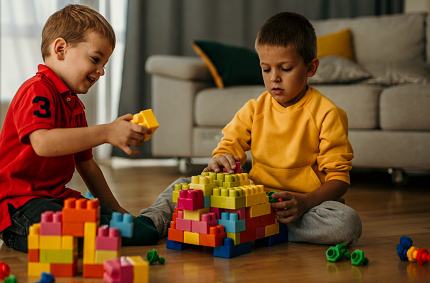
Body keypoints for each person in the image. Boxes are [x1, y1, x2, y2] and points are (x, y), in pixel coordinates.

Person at [140, 12, 362, 245]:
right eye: (266, 69)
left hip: (302, 206)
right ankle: (151, 223)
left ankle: (250, 227)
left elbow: (339, 180)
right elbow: (229, 146)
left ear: (311, 68)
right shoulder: (255, 109)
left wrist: (305, 202)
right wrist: (221, 159)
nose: (274, 78)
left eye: (285, 68)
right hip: (252, 199)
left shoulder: (328, 113)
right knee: (184, 185)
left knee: (346, 223)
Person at [0, 4, 159, 253]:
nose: (100, 71)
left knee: (138, 232)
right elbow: (43, 143)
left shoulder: (74, 106)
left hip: (56, 199)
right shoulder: (37, 89)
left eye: (104, 64)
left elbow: (87, 164)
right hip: (19, 203)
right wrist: (107, 132)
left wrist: (117, 211)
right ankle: (20, 235)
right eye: (96, 59)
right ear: (60, 49)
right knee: (76, 239)